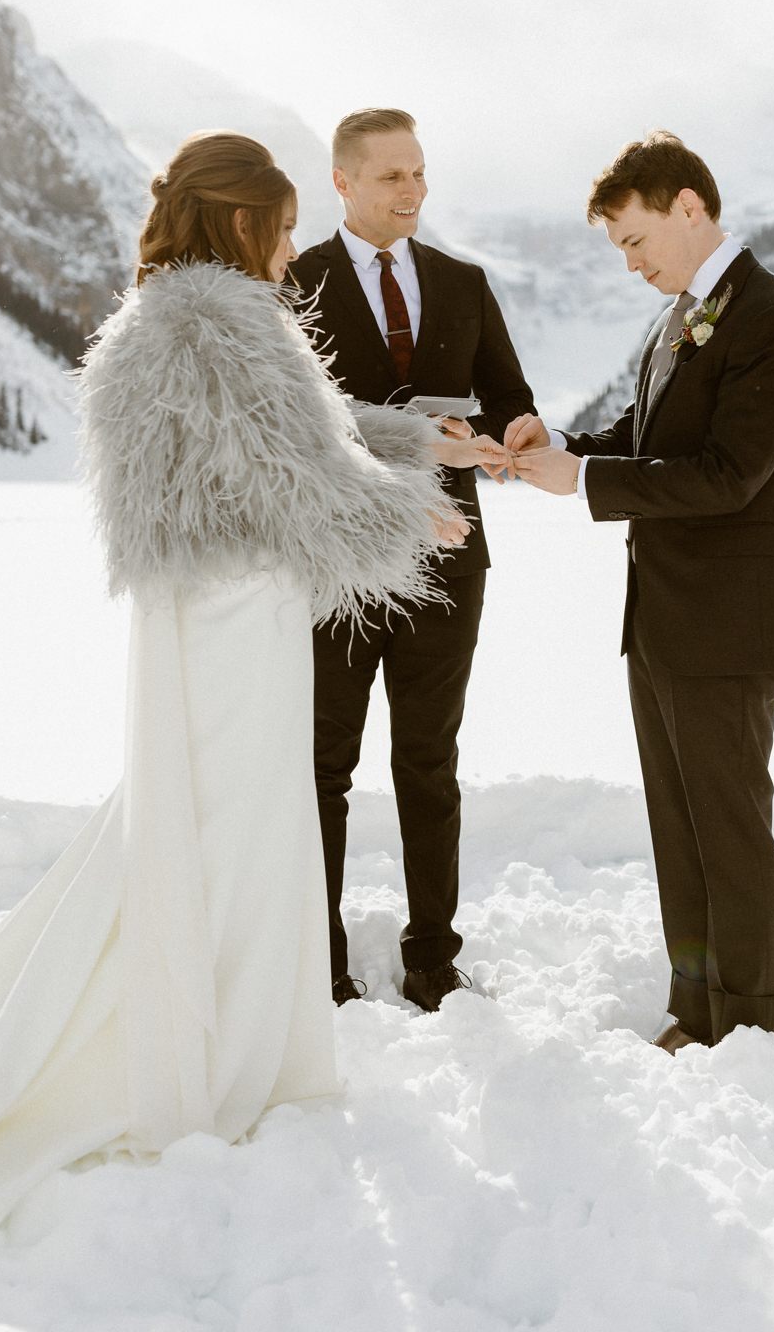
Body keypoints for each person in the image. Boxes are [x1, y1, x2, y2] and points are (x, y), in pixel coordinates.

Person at [0, 130, 494, 1268]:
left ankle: (217, 1030)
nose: (294, 248)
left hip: (197, 613)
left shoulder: (168, 318)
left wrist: (406, 447)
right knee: (240, 833)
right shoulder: (225, 323)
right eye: (284, 226)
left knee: (198, 825)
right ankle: (229, 1056)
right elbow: (297, 475)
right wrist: (410, 510)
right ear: (242, 224)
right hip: (238, 615)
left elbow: (310, 442)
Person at [506, 132, 774, 1051]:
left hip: (731, 627)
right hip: (660, 624)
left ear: (690, 206)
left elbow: (729, 475)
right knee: (679, 834)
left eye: (635, 240)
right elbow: (646, 434)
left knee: (730, 836)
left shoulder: (773, 318)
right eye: (619, 250)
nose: (631, 264)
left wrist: (588, 486)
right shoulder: (681, 315)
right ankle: (695, 1013)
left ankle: (749, 1033)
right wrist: (558, 448)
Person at [289, 109, 535, 1013]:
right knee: (322, 768)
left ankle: (434, 956)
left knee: (429, 762)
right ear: (344, 183)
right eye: (392, 176)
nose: (413, 192)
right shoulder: (295, 281)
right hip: (336, 564)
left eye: (421, 174)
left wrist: (511, 430)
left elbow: (512, 393)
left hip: (449, 553)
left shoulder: (464, 283)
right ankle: (319, 963)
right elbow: (292, 429)